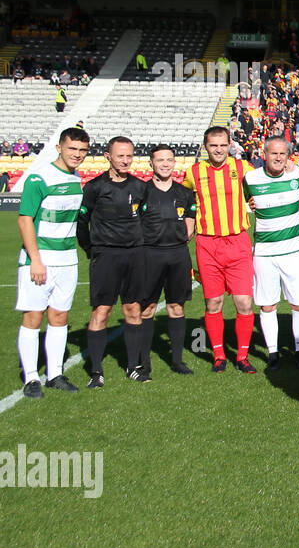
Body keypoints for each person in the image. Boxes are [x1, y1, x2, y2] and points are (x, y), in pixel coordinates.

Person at [15, 127, 89, 398]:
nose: (77, 155)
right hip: (40, 259)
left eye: (82, 150)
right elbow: (24, 219)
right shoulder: (39, 177)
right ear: (59, 147)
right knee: (33, 317)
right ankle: (32, 377)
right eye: (72, 149)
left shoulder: (77, 177)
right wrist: (35, 260)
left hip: (67, 260)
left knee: (59, 317)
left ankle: (55, 374)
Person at [184, 126, 258, 373]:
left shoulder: (243, 168)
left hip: (237, 242)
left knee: (245, 303)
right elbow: (185, 205)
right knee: (213, 302)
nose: (218, 149)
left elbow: (264, 182)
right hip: (207, 244)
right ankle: (218, 355)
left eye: (223, 145)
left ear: (230, 145)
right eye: (213, 145)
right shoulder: (193, 173)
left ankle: (243, 356)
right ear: (206, 146)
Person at [77, 136, 150, 387]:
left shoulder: (140, 187)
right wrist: (92, 250)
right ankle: (96, 372)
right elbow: (82, 223)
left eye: (129, 156)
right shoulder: (95, 187)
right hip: (105, 256)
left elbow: (145, 219)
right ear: (108, 156)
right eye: (120, 156)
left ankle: (134, 367)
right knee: (102, 311)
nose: (125, 160)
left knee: (133, 309)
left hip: (133, 256)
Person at [242, 136, 299, 372]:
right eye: (274, 154)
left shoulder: (298, 174)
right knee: (268, 305)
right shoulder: (250, 178)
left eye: (283, 154)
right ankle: (273, 353)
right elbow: (245, 202)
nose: (279, 158)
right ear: (264, 154)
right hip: (263, 253)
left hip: (293, 251)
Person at [139, 144, 197, 376]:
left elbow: (191, 222)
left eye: (169, 160)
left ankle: (177, 360)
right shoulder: (141, 190)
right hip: (148, 255)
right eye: (160, 160)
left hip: (177, 256)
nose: (165, 164)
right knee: (147, 307)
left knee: (176, 306)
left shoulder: (184, 193)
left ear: (174, 163)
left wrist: (182, 237)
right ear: (151, 163)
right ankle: (144, 360)